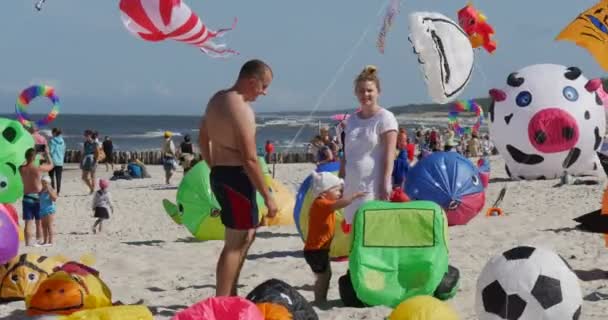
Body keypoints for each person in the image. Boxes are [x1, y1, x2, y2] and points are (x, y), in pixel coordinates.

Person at [199, 59, 278, 297]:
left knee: (246, 236)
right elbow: (250, 158)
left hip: (222, 174)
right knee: (235, 244)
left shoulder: (217, 99)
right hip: (236, 178)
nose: (264, 92)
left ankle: (230, 293)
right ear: (251, 81)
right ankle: (223, 301)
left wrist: (214, 165)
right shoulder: (241, 108)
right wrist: (268, 197)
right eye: (263, 86)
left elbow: (203, 138)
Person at [340, 65, 398, 225]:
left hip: (372, 185)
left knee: (370, 227)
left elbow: (389, 154)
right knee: (352, 228)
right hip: (351, 185)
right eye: (361, 91)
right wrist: (341, 177)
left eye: (369, 90)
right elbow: (347, 153)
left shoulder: (386, 118)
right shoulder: (351, 120)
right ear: (356, 93)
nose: (365, 94)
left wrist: (386, 182)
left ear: (378, 92)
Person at [305, 172, 365, 303]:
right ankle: (319, 300)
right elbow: (340, 204)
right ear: (324, 192)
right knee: (323, 277)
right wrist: (355, 196)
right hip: (316, 250)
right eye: (337, 190)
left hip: (320, 249)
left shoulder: (325, 204)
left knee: (325, 275)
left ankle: (320, 299)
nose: (340, 193)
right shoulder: (320, 203)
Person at [20, 148, 54, 246]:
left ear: (26, 157)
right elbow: (51, 165)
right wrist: (47, 154)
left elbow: (24, 162)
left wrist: (27, 159)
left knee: (28, 222)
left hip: (26, 197)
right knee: (39, 222)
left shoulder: (21, 168)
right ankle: (39, 240)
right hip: (38, 197)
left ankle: (27, 243)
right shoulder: (38, 168)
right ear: (34, 157)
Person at [39, 175, 57, 246]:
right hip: (42, 210)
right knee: (43, 226)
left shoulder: (51, 189)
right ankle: (45, 241)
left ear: (49, 183)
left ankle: (50, 241)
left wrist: (49, 190)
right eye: (42, 183)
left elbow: (54, 198)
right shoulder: (41, 190)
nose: (44, 184)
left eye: (45, 183)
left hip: (49, 210)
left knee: (49, 226)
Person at [48, 128, 65, 195]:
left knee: (51, 176)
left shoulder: (52, 141)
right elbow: (63, 150)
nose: (52, 134)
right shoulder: (62, 141)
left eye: (52, 133)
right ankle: (58, 191)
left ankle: (53, 190)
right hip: (60, 161)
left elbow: (51, 151)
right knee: (59, 177)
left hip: (53, 161)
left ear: (55, 133)